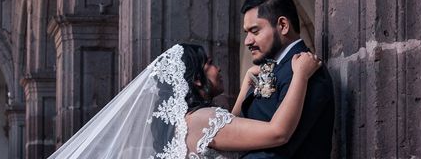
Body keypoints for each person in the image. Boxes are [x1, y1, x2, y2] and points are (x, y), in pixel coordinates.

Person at [48, 42, 322, 158]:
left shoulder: (188, 122)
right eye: (210, 64)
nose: (218, 68)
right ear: (196, 79)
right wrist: (300, 75)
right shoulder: (204, 120)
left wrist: (246, 86)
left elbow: (233, 126)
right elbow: (278, 133)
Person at [239, 0, 335, 158]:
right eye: (246, 33)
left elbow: (277, 152)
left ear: (283, 25)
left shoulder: (306, 72)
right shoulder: (274, 68)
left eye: (255, 31)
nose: (247, 41)